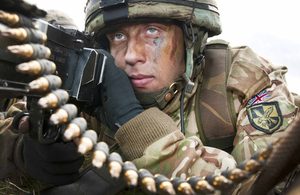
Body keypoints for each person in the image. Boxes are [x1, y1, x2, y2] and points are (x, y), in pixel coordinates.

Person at [1, 0, 299, 194]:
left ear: (191, 39)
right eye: (119, 37)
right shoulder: (93, 80)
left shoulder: (243, 79)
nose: (131, 56)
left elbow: (265, 185)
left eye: (152, 32)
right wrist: (26, 153)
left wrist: (137, 125)